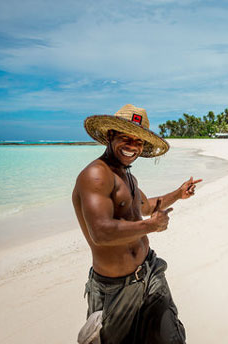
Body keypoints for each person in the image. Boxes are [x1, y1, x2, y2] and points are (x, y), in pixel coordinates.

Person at [72, 104, 201, 343]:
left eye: (139, 141)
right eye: (125, 138)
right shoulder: (96, 175)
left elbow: (143, 207)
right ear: (110, 136)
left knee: (172, 338)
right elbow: (101, 232)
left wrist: (179, 193)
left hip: (149, 272)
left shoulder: (127, 176)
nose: (132, 146)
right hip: (115, 289)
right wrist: (152, 226)